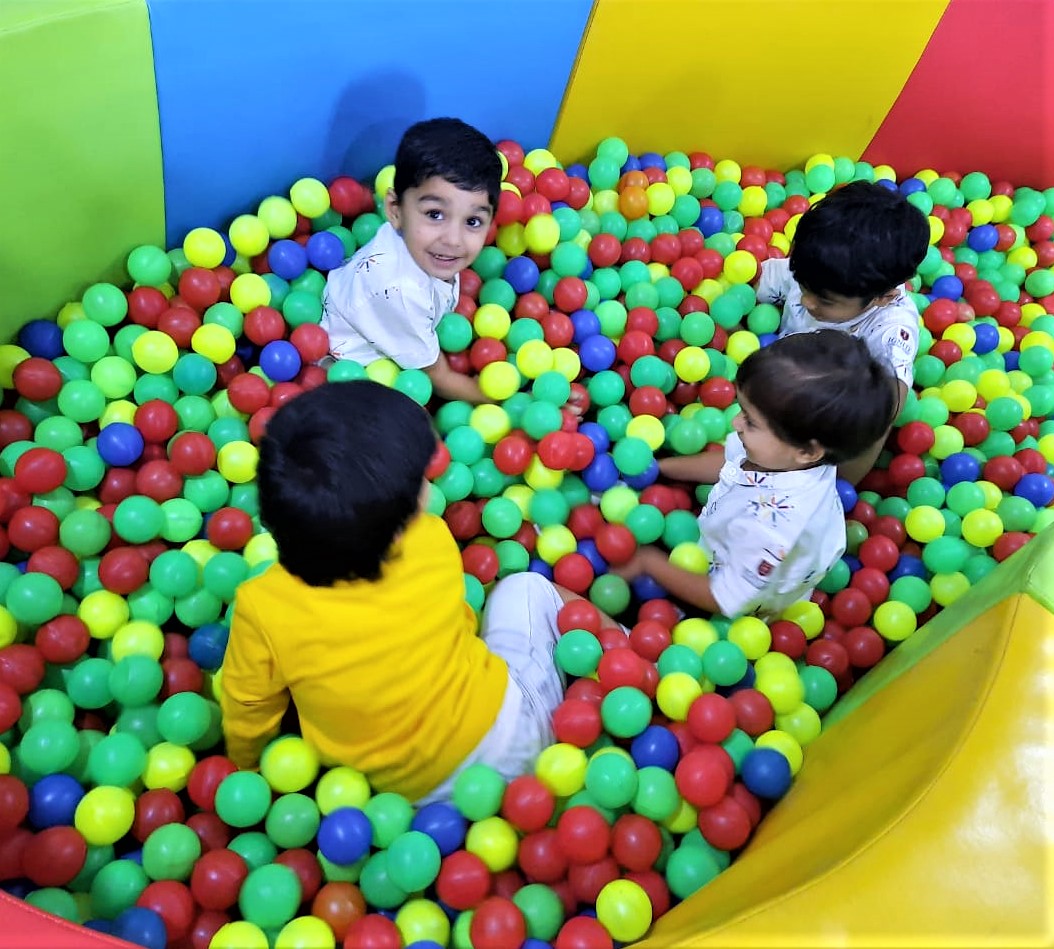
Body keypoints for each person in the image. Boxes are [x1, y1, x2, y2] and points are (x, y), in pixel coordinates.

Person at [219, 380, 609, 803]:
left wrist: (248, 767)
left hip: (400, 796)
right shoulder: (430, 539)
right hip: (510, 739)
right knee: (524, 587)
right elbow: (459, 624)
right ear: (403, 514)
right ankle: (629, 653)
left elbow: (248, 705)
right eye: (419, 479)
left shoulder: (262, 604)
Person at [613, 331, 898, 620]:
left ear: (808, 451)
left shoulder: (773, 528)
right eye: (742, 410)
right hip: (745, 545)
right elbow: (730, 463)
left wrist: (649, 562)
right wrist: (662, 468)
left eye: (750, 421)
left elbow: (722, 597)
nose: (736, 422)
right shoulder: (787, 450)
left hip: (741, 594)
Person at [756, 180, 930, 483]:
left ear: (883, 296)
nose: (806, 301)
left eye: (824, 301)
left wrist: (837, 485)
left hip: (821, 415)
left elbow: (882, 413)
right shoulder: (816, 269)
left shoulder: (888, 332)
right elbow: (748, 290)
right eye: (803, 287)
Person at [321, 117, 502, 404]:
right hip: (349, 362)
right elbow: (437, 377)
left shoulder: (421, 246)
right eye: (435, 214)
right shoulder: (403, 291)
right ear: (395, 210)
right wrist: (507, 401)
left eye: (473, 221)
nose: (453, 239)